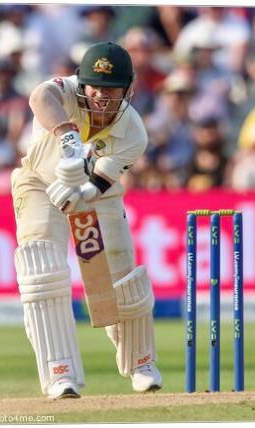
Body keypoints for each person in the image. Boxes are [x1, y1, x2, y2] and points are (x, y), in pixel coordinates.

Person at [11, 42, 162, 399]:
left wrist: (80, 194)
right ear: (82, 83)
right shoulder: (64, 93)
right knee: (42, 270)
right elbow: (38, 96)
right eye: (95, 87)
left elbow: (98, 185)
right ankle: (59, 371)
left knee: (120, 273)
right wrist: (66, 134)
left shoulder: (134, 132)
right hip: (37, 183)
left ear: (128, 89)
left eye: (112, 90)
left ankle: (141, 361)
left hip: (97, 192)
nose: (102, 96)